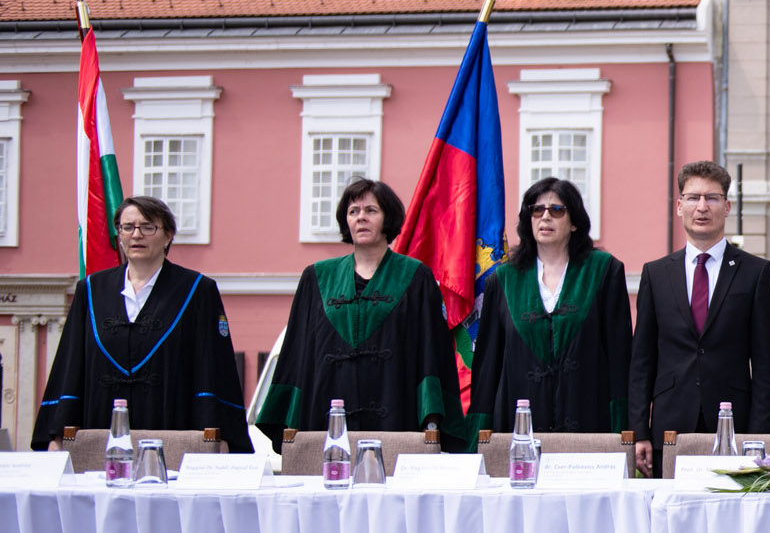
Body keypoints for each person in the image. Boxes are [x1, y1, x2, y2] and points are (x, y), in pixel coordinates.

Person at [255, 178, 463, 451]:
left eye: (371, 211)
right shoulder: (317, 278)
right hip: (325, 415)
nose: (361, 218)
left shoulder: (415, 277)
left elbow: (431, 353)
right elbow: (298, 352)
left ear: (388, 218)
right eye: (353, 212)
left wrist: (432, 417)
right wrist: (288, 417)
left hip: (396, 417)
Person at [32, 195, 252, 452]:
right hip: (100, 428)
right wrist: (59, 432)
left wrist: (215, 435)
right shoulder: (91, 290)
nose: (136, 235)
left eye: (148, 227)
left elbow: (213, 366)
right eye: (128, 227)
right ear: (119, 234)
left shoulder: (197, 290)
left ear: (168, 235)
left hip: (172, 428)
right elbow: (70, 364)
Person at [628, 161, 770, 472]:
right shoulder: (656, 274)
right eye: (693, 198)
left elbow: (766, 364)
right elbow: (642, 360)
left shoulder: (755, 273)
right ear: (680, 206)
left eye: (711, 198)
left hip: (734, 428)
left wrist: (758, 434)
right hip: (669, 427)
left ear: (727, 206)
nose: (702, 207)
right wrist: (640, 430)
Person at [469, 177, 632, 438]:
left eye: (557, 210)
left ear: (575, 222)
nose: (545, 217)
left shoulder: (604, 271)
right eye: (537, 210)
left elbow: (620, 357)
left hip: (589, 422)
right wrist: (478, 434)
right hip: (518, 426)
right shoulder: (503, 280)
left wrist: (624, 430)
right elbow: (488, 364)